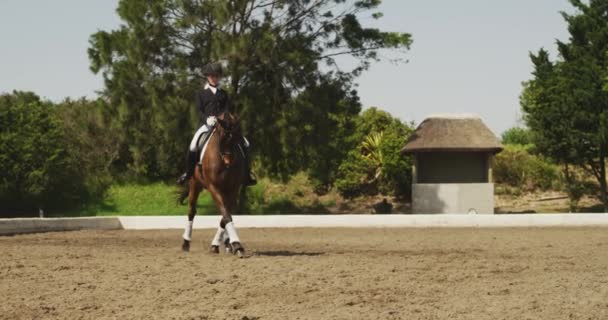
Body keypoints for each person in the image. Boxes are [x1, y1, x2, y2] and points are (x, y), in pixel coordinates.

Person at [177, 62, 256, 186]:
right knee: (193, 145)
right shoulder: (201, 94)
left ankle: (247, 174)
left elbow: (226, 110)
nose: (214, 78)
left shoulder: (223, 94)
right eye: (212, 76)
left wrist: (224, 120)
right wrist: (207, 119)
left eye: (217, 76)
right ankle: (188, 173)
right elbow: (199, 110)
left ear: (219, 77)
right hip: (207, 125)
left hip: (222, 126)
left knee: (245, 143)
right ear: (208, 77)